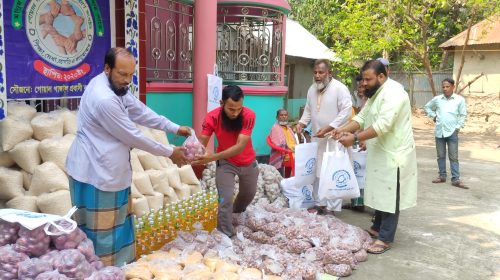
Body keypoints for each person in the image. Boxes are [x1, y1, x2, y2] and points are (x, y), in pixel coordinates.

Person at [65, 47, 191, 266]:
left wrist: (174, 127)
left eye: (130, 75)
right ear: (107, 69)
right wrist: (170, 152)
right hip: (96, 175)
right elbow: (133, 136)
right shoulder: (104, 99)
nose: (127, 80)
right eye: (122, 74)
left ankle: (121, 270)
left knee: (119, 228)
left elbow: (139, 111)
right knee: (100, 236)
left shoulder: (116, 88)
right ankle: (102, 273)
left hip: (110, 172)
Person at [333, 59, 418, 254]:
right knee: (380, 190)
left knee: (390, 194)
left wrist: (354, 138)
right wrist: (340, 130)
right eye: (363, 79)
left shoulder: (395, 94)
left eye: (368, 80)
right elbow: (362, 117)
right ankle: (377, 227)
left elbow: (383, 125)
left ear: (381, 76)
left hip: (395, 153)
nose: (364, 84)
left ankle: (385, 238)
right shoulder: (376, 92)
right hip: (380, 149)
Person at [193, 85, 259, 237]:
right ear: (221, 103)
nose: (235, 113)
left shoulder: (249, 115)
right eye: (231, 109)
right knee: (225, 199)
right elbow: (202, 141)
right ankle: (225, 236)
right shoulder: (212, 117)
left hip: (248, 161)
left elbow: (240, 147)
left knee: (248, 194)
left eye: (238, 108)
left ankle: (235, 218)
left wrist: (212, 157)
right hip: (226, 163)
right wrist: (192, 155)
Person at [295, 59, 352, 214]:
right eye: (315, 72)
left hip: (335, 138)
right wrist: (301, 123)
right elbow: (308, 109)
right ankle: (320, 203)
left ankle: (332, 208)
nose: (317, 76)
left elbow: (347, 111)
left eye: (321, 72)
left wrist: (330, 127)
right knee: (318, 170)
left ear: (329, 73)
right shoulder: (312, 89)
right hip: (317, 138)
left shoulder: (340, 88)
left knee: (333, 170)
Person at [424, 78, 468, 189]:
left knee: (453, 156)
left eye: (447, 86)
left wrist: (458, 127)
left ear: (453, 87)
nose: (445, 89)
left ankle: (456, 179)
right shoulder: (437, 99)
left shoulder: (459, 100)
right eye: (443, 87)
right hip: (439, 131)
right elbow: (427, 107)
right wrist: (433, 116)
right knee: (440, 156)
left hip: (452, 132)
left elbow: (463, 115)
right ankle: (442, 176)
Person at [268, 108, 297, 178]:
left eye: (285, 115)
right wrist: (290, 149)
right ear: (277, 117)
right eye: (281, 115)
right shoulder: (275, 128)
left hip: (293, 150)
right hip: (285, 153)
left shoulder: (288, 128)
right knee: (299, 158)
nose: (284, 117)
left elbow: (293, 141)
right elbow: (278, 144)